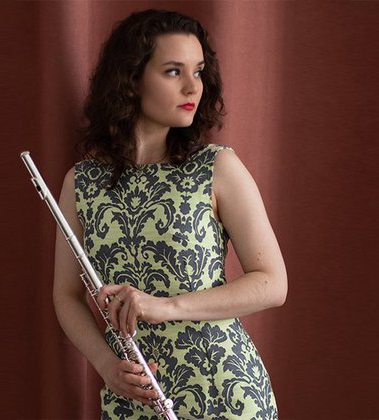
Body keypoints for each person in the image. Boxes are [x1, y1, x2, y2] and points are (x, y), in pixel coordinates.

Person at [53, 9, 287, 420]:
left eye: (198, 71)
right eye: (173, 71)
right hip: (134, 396)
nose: (192, 86)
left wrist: (165, 306)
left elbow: (272, 283)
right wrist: (106, 366)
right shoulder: (82, 182)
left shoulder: (217, 167)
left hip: (225, 394)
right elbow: (67, 296)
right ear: (131, 79)